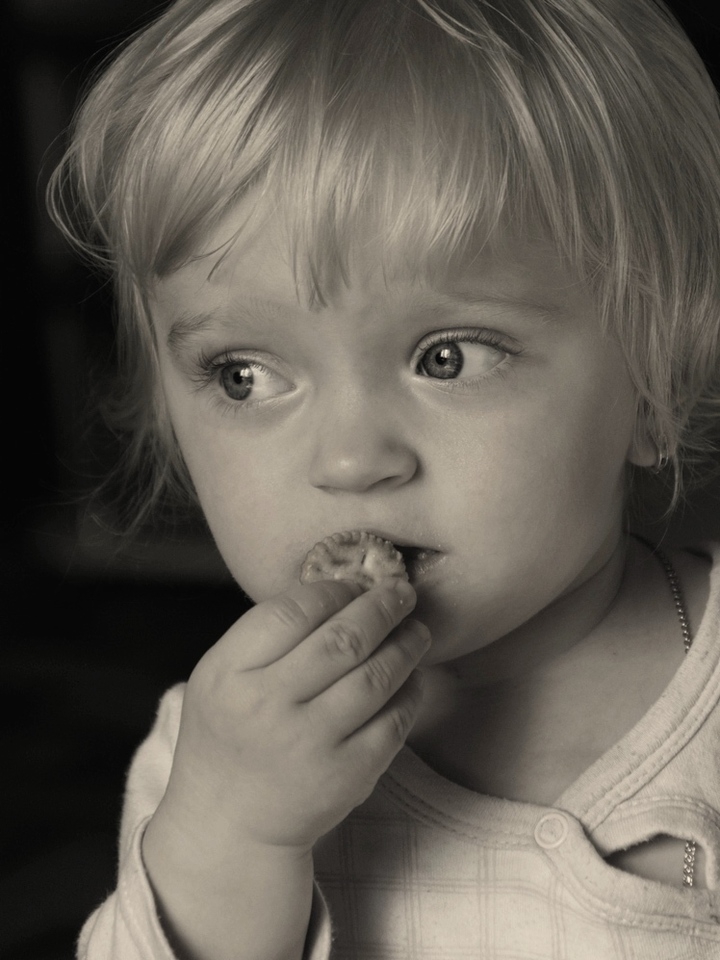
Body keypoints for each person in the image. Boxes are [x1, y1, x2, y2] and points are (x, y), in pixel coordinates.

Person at [49, 0, 720, 957]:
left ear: (657, 380)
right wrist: (229, 845)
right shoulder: (214, 760)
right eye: (245, 375)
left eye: (446, 357)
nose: (350, 462)